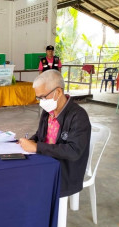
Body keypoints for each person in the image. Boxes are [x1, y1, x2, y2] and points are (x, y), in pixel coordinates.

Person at [19, 70, 91, 199]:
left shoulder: (78, 116)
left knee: (27, 184)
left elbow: (73, 151)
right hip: (47, 161)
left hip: (65, 171)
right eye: (38, 98)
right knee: (16, 172)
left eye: (43, 97)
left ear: (58, 92)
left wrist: (37, 147)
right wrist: (29, 142)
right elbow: (40, 135)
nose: (41, 101)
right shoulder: (48, 111)